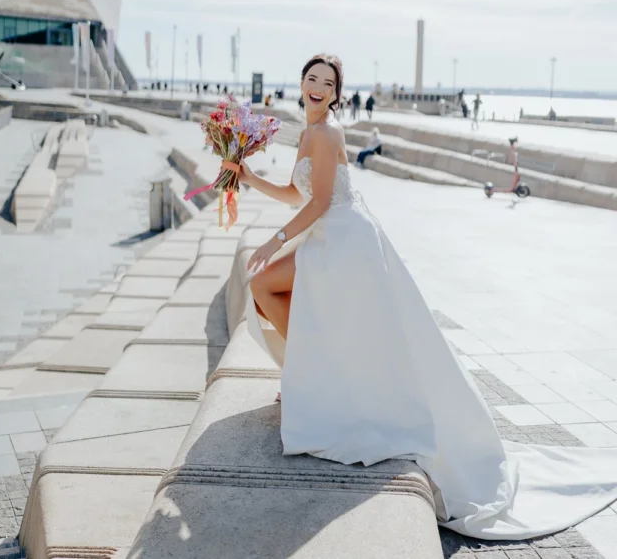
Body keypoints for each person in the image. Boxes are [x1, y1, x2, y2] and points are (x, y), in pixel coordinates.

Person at [236, 53, 617, 543]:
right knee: (271, 292)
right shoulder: (308, 129)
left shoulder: (326, 132)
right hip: (326, 238)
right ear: (302, 84)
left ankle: (309, 375)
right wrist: (246, 177)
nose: (316, 87)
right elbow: (296, 192)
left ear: (336, 93)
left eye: (326, 83)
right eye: (310, 78)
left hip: (345, 242)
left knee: (267, 284)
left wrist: (273, 241)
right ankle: (310, 373)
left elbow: (322, 201)